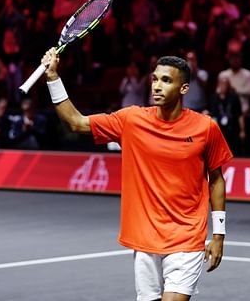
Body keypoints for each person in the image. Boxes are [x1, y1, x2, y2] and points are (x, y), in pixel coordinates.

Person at [41, 47, 233, 301]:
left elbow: (216, 180)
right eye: (154, 78)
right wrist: (53, 77)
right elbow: (76, 122)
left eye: (166, 80)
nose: (157, 86)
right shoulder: (131, 120)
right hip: (144, 240)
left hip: (186, 238)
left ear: (184, 89)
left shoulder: (205, 128)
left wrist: (218, 235)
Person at [207, 77, 245, 155]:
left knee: (233, 151)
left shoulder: (234, 98)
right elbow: (209, 113)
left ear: (228, 86)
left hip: (232, 129)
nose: (223, 86)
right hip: (217, 130)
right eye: (221, 84)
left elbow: (240, 115)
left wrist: (242, 130)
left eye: (225, 84)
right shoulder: (214, 98)